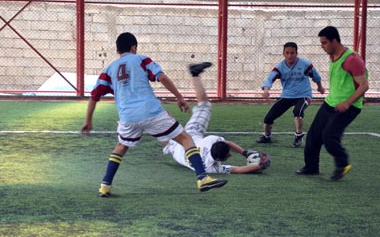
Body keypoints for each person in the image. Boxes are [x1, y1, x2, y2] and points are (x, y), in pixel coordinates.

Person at [81, 32, 227, 197]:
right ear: (134, 47)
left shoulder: (109, 70)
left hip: (128, 118)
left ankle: (105, 186)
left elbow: (94, 97)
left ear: (117, 50)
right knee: (186, 139)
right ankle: (202, 177)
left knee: (121, 147)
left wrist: (88, 121)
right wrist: (179, 98)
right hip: (151, 112)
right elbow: (162, 77)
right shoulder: (142, 60)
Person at [163, 63, 271, 174]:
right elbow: (237, 169)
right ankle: (195, 74)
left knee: (162, 129)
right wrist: (258, 164)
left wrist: (249, 156)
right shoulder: (208, 165)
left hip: (182, 144)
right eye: (228, 154)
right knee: (163, 130)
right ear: (218, 159)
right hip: (182, 145)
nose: (230, 154)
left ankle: (158, 117)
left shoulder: (209, 146)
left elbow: (228, 146)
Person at [297, 26, 369, 180]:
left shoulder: (352, 60)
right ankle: (311, 167)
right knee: (313, 136)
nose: (322, 46)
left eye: (324, 43)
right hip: (331, 103)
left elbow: (364, 85)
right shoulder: (333, 55)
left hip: (348, 107)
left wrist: (348, 103)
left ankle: (342, 165)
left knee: (329, 136)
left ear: (334, 41)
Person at [256, 42, 325, 147]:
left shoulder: (305, 64)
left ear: (296, 53)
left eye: (292, 53)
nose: (289, 55)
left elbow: (315, 75)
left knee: (298, 112)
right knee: (268, 119)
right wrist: (266, 90)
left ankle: (298, 137)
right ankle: (266, 137)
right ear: (283, 53)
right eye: (287, 53)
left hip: (303, 95)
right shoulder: (280, 66)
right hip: (287, 96)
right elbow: (270, 78)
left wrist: (320, 86)